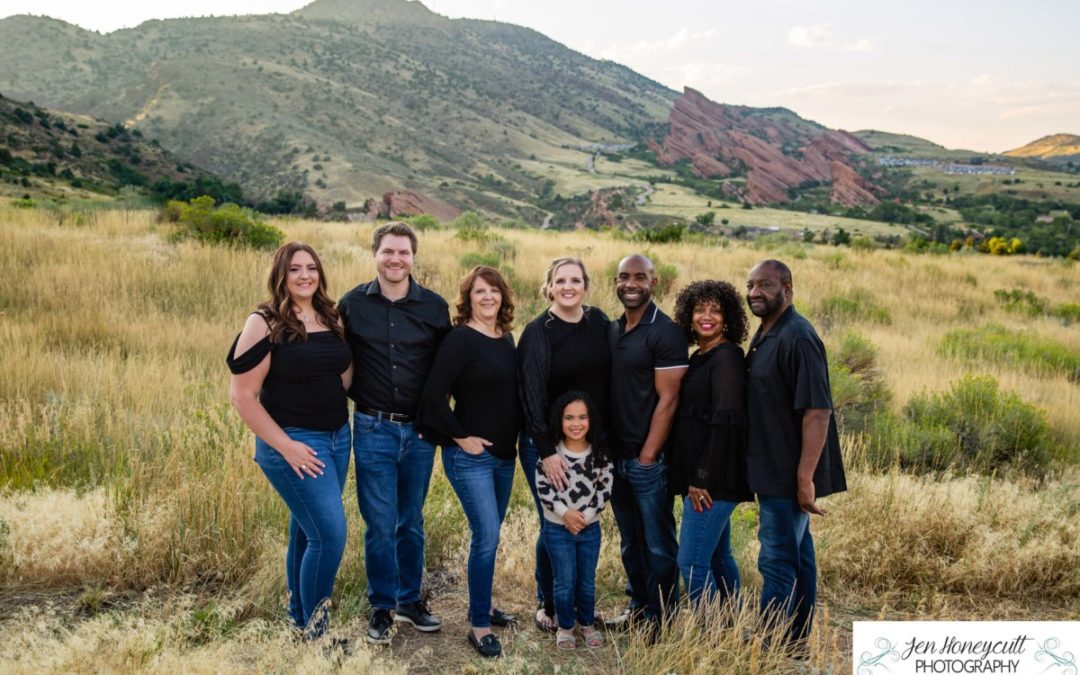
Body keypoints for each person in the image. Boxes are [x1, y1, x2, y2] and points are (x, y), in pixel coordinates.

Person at [227, 242, 353, 641]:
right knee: (329, 535)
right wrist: (286, 446)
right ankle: (318, 634)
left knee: (306, 530)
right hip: (294, 443)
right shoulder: (264, 321)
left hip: (337, 438)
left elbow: (343, 374)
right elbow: (242, 396)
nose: (304, 275)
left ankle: (299, 621)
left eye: (311, 267)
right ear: (280, 274)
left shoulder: (330, 316)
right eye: (295, 268)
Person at [337, 222, 451, 644]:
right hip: (371, 428)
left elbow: (448, 370)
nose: (396, 259)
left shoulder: (435, 308)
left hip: (419, 434)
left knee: (411, 521)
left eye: (403, 252)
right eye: (388, 251)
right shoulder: (351, 304)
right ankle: (381, 606)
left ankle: (409, 600)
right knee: (380, 523)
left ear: (413, 257)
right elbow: (334, 358)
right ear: (375, 254)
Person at [744, 259, 847, 648]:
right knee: (799, 556)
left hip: (788, 472)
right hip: (772, 464)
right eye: (751, 285)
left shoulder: (799, 336)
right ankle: (796, 639)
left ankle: (769, 645)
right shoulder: (768, 330)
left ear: (787, 287)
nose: (755, 292)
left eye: (765, 285)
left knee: (777, 561)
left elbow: (818, 412)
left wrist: (804, 478)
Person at [418, 266, 519, 659]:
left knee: (491, 537)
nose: (488, 297)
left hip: (504, 459)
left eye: (494, 291)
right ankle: (478, 626)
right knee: (487, 535)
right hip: (470, 458)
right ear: (469, 298)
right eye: (480, 292)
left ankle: (488, 606)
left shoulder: (506, 338)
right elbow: (432, 396)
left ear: (503, 297)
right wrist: (461, 437)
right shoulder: (460, 340)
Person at [516, 257, 611, 632]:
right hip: (547, 444)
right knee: (554, 521)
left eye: (575, 280)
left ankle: (580, 603)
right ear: (549, 286)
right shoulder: (539, 331)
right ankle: (550, 603)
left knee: (585, 521)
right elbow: (531, 395)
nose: (568, 286)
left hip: (589, 444)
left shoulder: (600, 322)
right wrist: (547, 452)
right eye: (560, 280)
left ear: (585, 285)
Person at [606, 254, 688, 635]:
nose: (631, 284)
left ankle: (663, 618)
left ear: (654, 282)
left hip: (647, 460)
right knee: (630, 541)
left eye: (640, 277)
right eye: (624, 277)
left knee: (657, 543)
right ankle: (638, 607)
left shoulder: (665, 331)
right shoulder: (614, 328)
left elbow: (669, 400)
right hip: (615, 456)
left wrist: (647, 455)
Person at [670, 280, 754, 607]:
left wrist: (701, 477)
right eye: (699, 309)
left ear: (728, 317)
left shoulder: (727, 359)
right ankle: (728, 628)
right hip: (705, 479)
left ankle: (709, 635)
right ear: (688, 315)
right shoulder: (700, 357)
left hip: (712, 482)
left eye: (716, 311)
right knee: (719, 557)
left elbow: (725, 421)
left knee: (690, 562)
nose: (707, 317)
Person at [535, 391, 613, 651]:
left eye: (582, 417)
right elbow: (544, 489)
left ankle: (587, 623)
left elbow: (604, 488)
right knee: (564, 580)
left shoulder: (599, 454)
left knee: (586, 579)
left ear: (592, 421)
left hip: (590, 528)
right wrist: (564, 513)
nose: (576, 423)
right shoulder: (551, 455)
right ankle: (566, 626)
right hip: (557, 528)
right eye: (569, 418)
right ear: (559, 420)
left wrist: (588, 515)